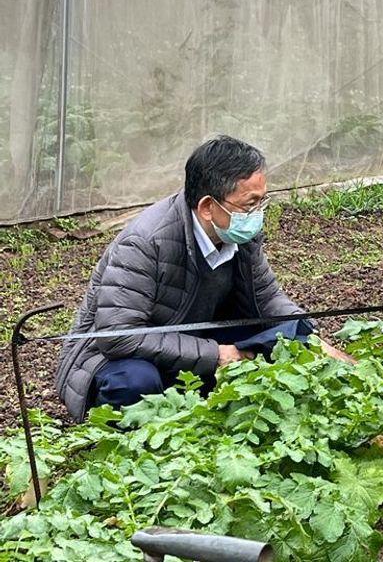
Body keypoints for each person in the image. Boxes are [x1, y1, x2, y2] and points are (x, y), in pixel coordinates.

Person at [56, 135, 350, 422]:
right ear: (208, 206)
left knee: (280, 339)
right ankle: (127, 442)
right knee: (135, 384)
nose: (257, 214)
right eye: (250, 204)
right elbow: (118, 336)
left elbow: (268, 299)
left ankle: (212, 413)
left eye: (262, 202)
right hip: (116, 358)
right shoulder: (144, 243)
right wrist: (216, 354)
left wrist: (307, 337)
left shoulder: (240, 234)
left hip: (192, 339)